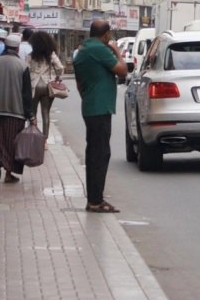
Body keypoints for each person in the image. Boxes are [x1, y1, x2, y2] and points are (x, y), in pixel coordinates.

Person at [71, 19, 129, 214]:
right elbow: (122, 71)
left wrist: (88, 98)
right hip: (100, 109)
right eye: (109, 36)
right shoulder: (99, 49)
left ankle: (94, 198)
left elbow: (79, 84)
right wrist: (116, 51)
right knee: (100, 154)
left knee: (94, 153)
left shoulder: (82, 50)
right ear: (106, 35)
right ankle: (96, 200)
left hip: (91, 106)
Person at [0, 33, 31, 182]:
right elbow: (26, 93)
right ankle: (6, 170)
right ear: (17, 49)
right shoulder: (23, 66)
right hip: (15, 111)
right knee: (12, 143)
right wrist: (30, 114)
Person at [27, 29, 64, 132]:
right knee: (45, 112)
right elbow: (60, 67)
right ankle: (44, 140)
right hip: (47, 86)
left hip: (33, 85)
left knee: (32, 113)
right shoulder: (51, 55)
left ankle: (33, 135)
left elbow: (25, 70)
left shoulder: (30, 56)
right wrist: (57, 76)